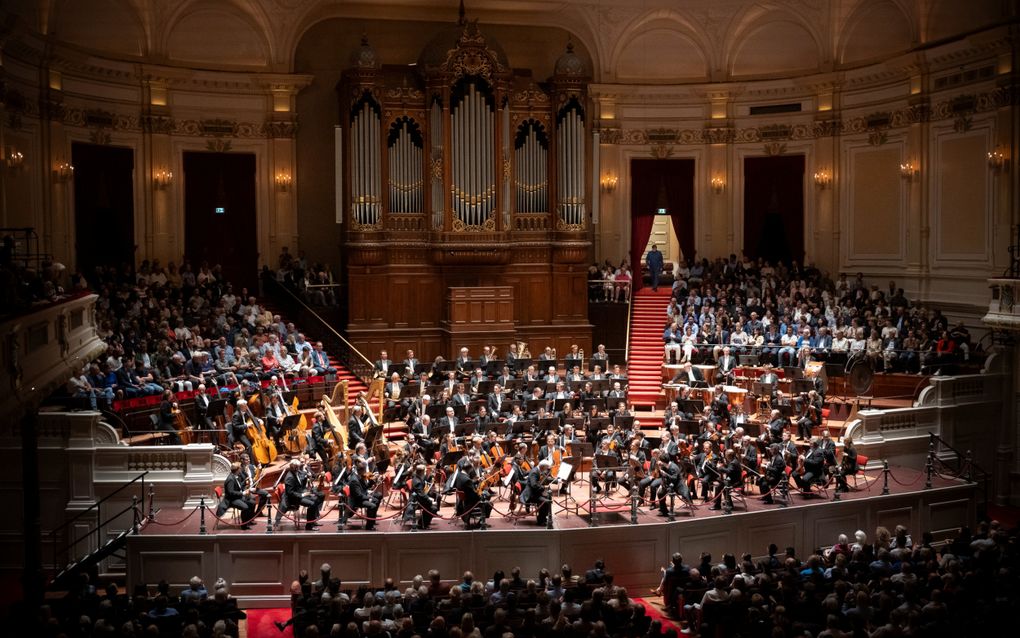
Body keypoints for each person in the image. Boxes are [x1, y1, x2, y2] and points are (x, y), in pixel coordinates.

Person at [217, 462, 256, 529]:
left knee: (252, 503)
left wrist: (245, 484)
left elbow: (238, 486)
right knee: (245, 507)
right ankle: (244, 525)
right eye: (240, 468)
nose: (241, 469)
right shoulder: (230, 479)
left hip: (237, 497)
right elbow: (231, 492)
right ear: (237, 469)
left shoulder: (235, 476)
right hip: (231, 500)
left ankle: (249, 521)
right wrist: (242, 493)